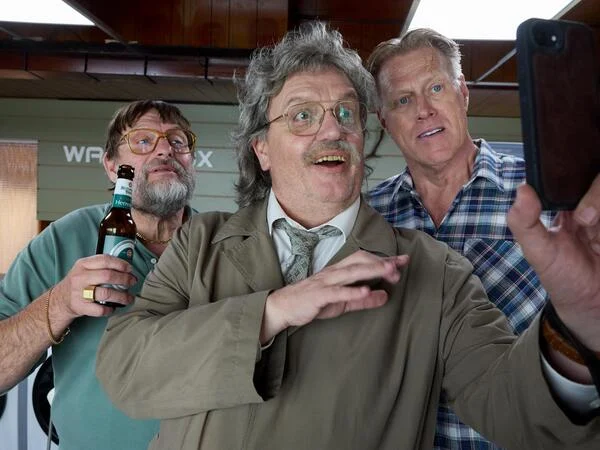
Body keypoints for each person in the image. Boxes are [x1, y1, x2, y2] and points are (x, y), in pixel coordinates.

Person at [96, 23, 600, 450]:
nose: (331, 130)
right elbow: (124, 368)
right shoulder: (200, 243)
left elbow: (515, 409)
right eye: (302, 115)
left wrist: (577, 322)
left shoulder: (436, 270)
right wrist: (271, 311)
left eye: (345, 113)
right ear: (262, 148)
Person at [365, 29, 557, 449]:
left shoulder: (544, 195)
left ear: (463, 93)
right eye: (403, 100)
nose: (424, 110)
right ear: (384, 120)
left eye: (435, 88)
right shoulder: (369, 219)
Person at [0, 100, 197, 450]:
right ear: (111, 166)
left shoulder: (222, 243)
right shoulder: (64, 239)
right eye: (143, 140)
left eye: (177, 141)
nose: (165, 149)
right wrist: (60, 303)